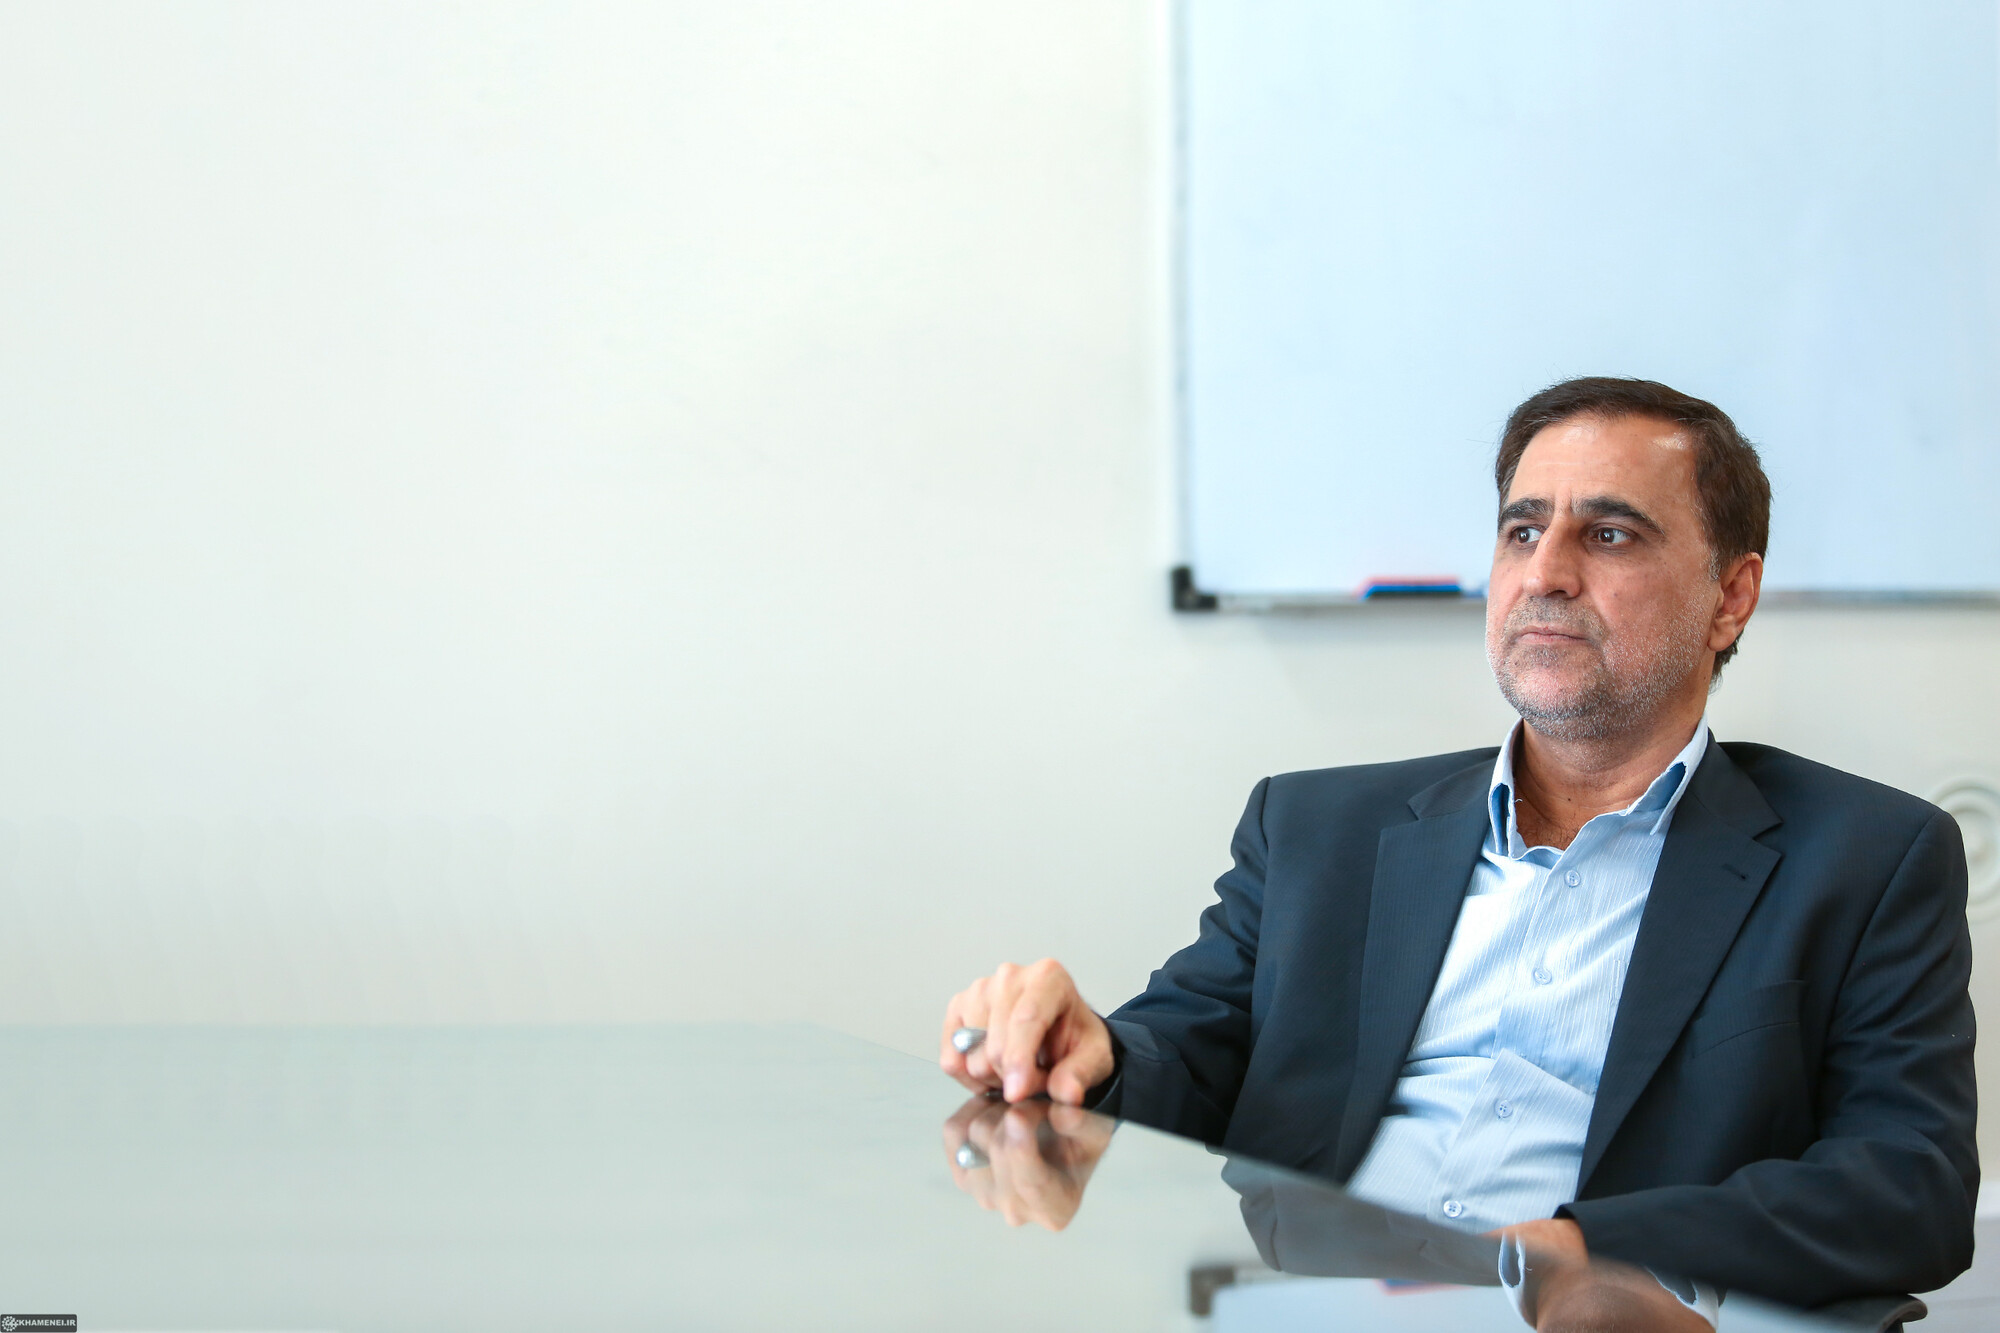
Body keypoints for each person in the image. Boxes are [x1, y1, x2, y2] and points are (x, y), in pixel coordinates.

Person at [937, 377, 1977, 1316]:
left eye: (1609, 534)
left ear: (1729, 597)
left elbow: (1908, 1187)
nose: (1545, 573)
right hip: (1315, 1304)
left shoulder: (1864, 859)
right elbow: (1185, 1051)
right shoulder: (1317, 829)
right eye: (1521, 530)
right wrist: (1091, 1051)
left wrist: (1584, 1245)